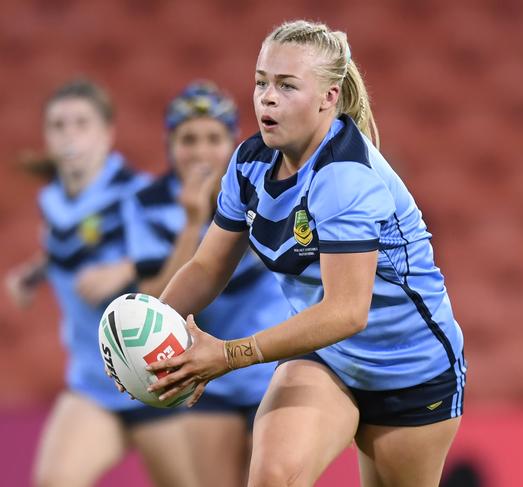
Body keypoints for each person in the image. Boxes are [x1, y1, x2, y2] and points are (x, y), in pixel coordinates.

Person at [145, 20, 466, 487]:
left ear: (328, 97)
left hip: (410, 370)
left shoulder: (346, 177)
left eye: (286, 85)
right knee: (274, 476)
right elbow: (207, 266)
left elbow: (346, 312)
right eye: (261, 82)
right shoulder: (249, 162)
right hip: (327, 356)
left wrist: (229, 355)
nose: (266, 98)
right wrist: (151, 339)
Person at [5, 78, 201, 487]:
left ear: (107, 134)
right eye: (59, 126)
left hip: (155, 379)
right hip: (95, 383)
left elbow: (195, 255)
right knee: (54, 481)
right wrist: (35, 271)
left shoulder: (140, 196)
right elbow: (72, 244)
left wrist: (128, 269)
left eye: (81, 123)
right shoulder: (54, 201)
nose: (69, 134)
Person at [123, 81, 289, 487]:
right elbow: (153, 303)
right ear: (170, 144)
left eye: (213, 138)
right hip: (206, 373)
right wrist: (192, 221)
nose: (200, 152)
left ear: (232, 144)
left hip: (273, 365)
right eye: (188, 139)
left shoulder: (266, 189)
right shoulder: (147, 203)